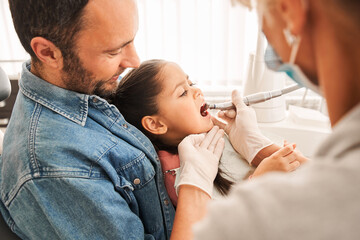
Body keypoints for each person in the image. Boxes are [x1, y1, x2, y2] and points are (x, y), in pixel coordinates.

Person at [0, 1, 293, 239]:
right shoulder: (56, 170)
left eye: (130, 42)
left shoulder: (86, 86)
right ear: (48, 52)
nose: (134, 61)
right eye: (114, 50)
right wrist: (195, 186)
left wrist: (257, 146)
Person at [190, 0, 360, 239]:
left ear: (289, 10)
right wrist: (258, 146)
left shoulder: (254, 220)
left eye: (261, 21)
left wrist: (252, 183)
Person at [111, 59, 306, 205]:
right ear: (155, 124)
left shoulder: (223, 136)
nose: (198, 92)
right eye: (183, 92)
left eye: (192, 83)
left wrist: (256, 145)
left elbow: (309, 173)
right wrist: (260, 181)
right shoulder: (180, 175)